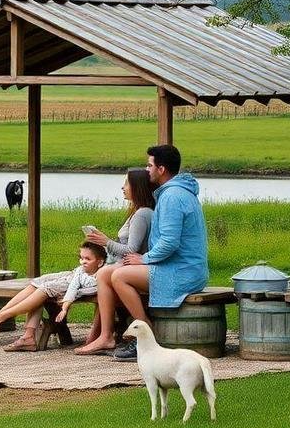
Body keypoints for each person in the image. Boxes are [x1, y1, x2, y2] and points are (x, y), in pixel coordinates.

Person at [75, 144, 209, 358]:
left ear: (161, 169)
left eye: (149, 165)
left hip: (182, 270)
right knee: (105, 273)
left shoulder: (173, 197)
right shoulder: (171, 193)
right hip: (174, 266)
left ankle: (145, 338)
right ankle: (106, 336)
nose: (147, 171)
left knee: (120, 276)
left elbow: (170, 242)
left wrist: (144, 259)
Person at [0, 242, 106, 351]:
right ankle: (24, 334)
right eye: (81, 258)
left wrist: (65, 306)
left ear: (99, 262)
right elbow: (77, 277)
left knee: (43, 290)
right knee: (35, 283)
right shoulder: (82, 268)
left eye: (87, 259)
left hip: (73, 283)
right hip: (71, 275)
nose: (82, 261)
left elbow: (76, 287)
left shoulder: (100, 275)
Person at [80, 168, 157, 343]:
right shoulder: (138, 212)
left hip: (136, 266)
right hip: (132, 265)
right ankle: (102, 334)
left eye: (126, 184)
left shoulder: (142, 213)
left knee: (105, 274)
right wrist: (104, 242)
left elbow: (132, 249)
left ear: (137, 187)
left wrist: (106, 241)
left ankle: (113, 333)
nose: (123, 188)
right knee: (104, 274)